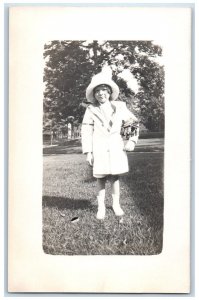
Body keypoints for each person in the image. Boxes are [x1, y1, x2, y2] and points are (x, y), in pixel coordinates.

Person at [81, 69, 139, 220]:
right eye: (98, 91)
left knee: (115, 177)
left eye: (104, 90)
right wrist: (88, 152)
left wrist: (131, 140)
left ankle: (116, 204)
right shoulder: (90, 109)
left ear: (109, 92)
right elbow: (86, 131)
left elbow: (132, 122)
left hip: (115, 146)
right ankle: (101, 207)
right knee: (100, 177)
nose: (101, 94)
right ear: (94, 94)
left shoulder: (119, 107)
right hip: (98, 147)